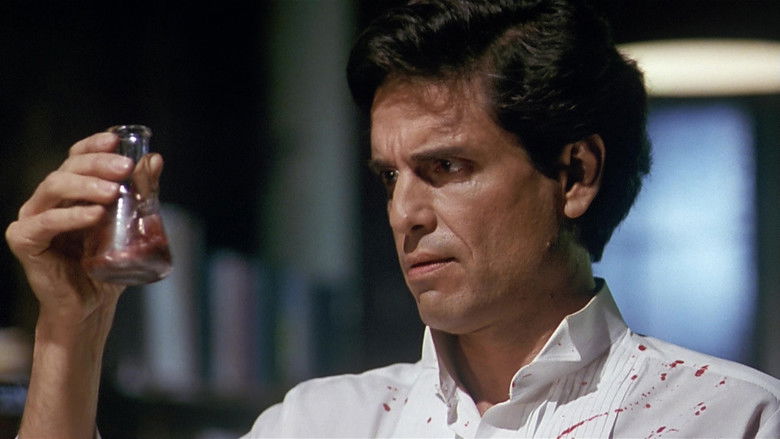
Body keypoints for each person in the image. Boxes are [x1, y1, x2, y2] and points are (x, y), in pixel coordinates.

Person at [6, 0, 779, 437]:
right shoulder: (321, 423)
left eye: (447, 168)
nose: (405, 212)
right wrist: (72, 328)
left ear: (573, 175)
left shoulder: (730, 417)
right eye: (389, 176)